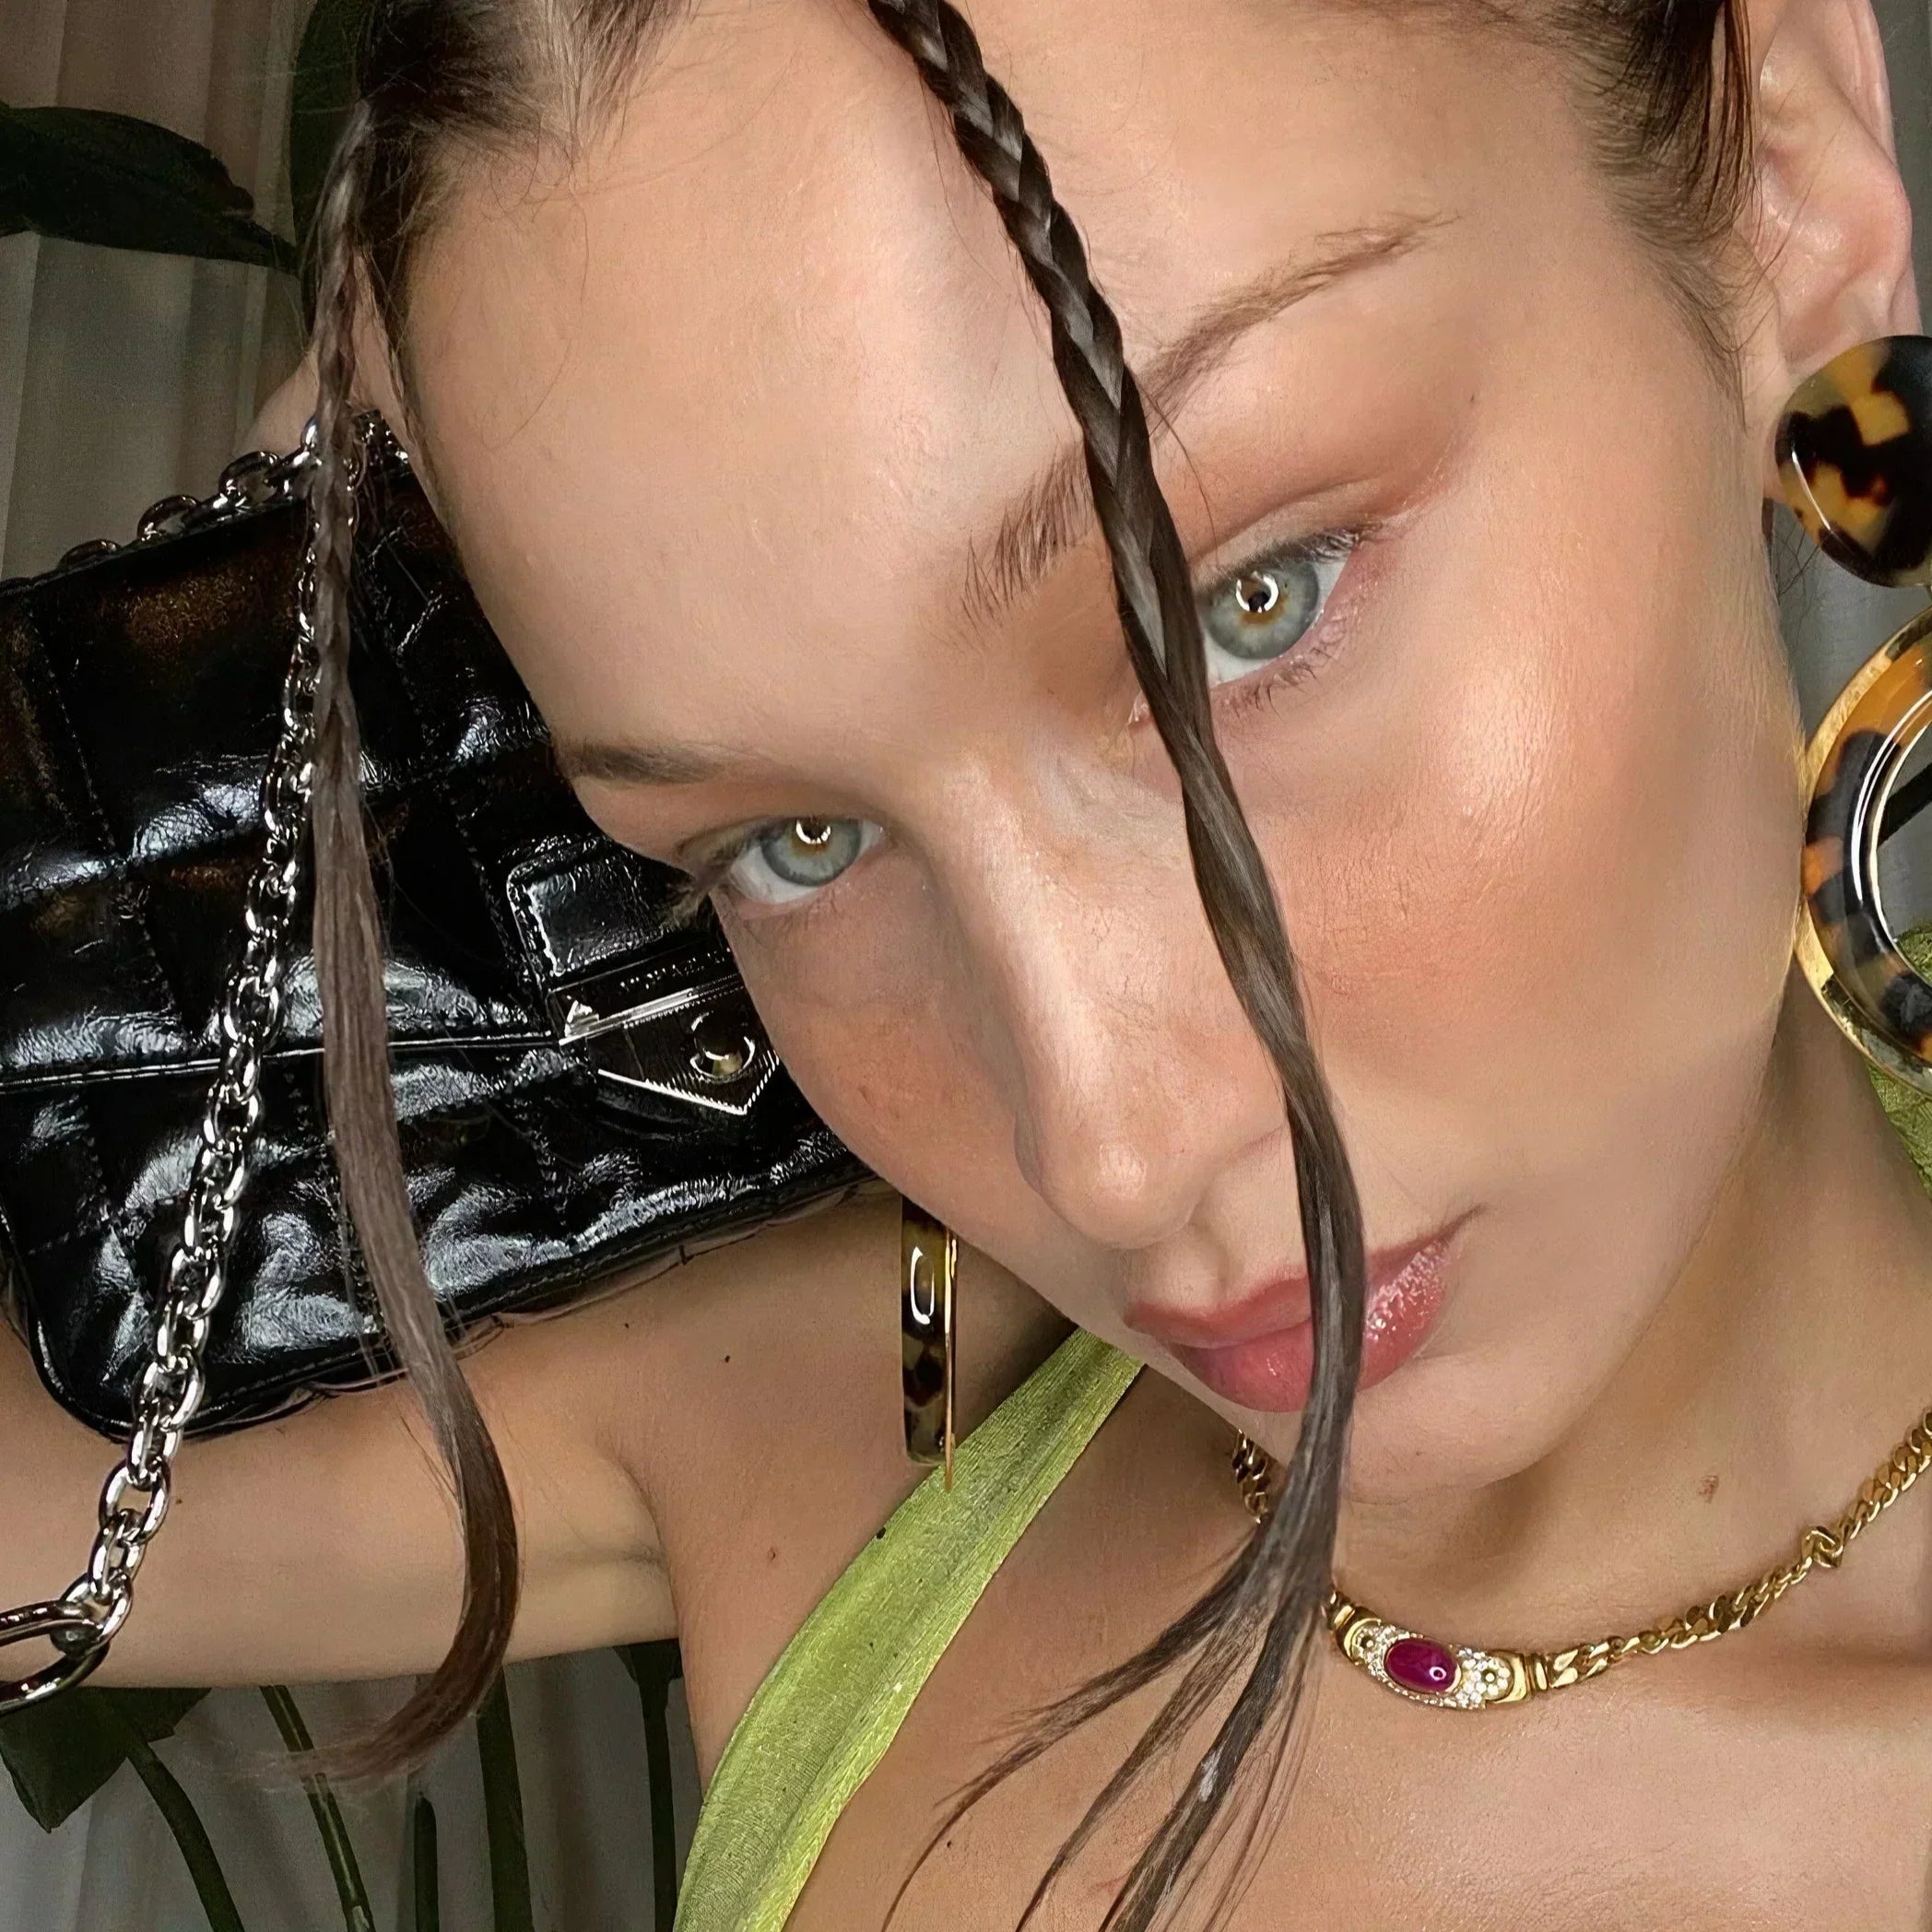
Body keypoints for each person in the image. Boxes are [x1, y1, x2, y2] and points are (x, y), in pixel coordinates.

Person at [8, 0, 1932, 1922]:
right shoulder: (867, 1404)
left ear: (1783, 177)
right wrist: (250, 604)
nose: (1108, 1151)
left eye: (1246, 609)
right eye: (793, 843)